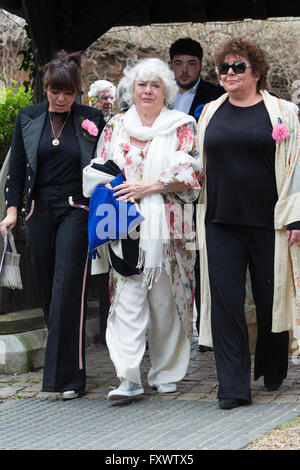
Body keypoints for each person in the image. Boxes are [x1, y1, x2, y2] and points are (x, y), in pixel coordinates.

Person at [83, 57, 201, 403]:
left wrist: (148, 186)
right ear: (130, 89)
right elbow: (96, 170)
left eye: (155, 85)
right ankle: (128, 377)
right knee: (127, 301)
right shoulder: (116, 126)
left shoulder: (182, 124)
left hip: (171, 230)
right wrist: (115, 184)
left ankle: (165, 372)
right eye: (141, 85)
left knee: (166, 303)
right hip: (122, 228)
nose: (147, 91)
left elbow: (191, 172)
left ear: (166, 90)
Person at [197, 37, 300, 410]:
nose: (229, 73)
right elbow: (198, 165)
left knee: (270, 295)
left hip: (268, 223)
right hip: (220, 221)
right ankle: (234, 387)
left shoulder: (283, 113)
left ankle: (272, 366)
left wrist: (296, 217)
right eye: (224, 67)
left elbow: (296, 166)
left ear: (256, 72)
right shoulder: (208, 112)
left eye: (238, 66)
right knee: (225, 301)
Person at [0, 50, 105, 399]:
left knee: (67, 289)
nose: (61, 99)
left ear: (77, 92)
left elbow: (106, 164)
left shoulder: (92, 119)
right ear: (45, 88)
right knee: (48, 289)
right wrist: (13, 210)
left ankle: (68, 378)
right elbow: (16, 168)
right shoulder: (27, 118)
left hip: (77, 209)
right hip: (39, 211)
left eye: (68, 93)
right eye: (54, 92)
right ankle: (63, 366)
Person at [170, 37, 224, 350]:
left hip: (203, 189)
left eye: (191, 63)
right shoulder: (160, 94)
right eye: (179, 63)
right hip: (166, 192)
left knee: (205, 257)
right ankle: (170, 331)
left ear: (200, 65)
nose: (185, 70)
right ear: (171, 65)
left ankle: (206, 332)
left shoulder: (215, 96)